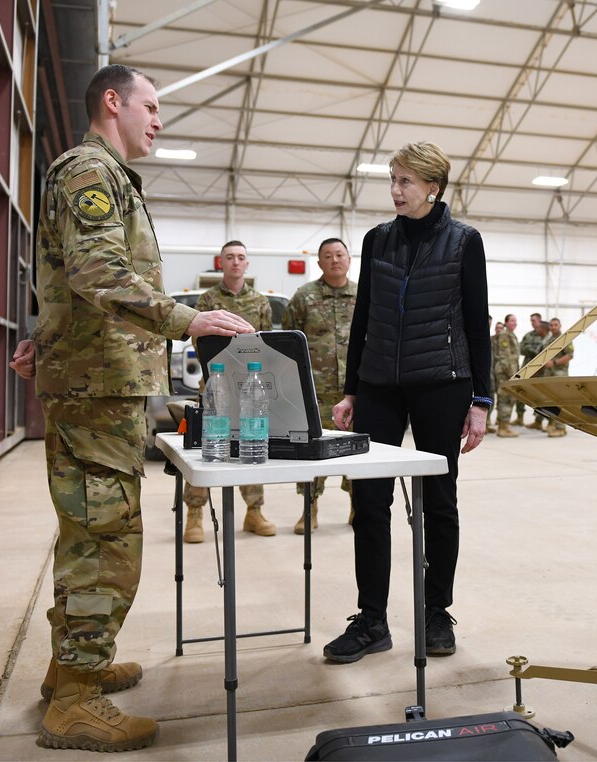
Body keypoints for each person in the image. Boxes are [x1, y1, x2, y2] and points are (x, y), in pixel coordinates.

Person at [8, 64, 254, 751]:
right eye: (150, 106)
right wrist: (188, 318)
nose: (158, 119)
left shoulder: (103, 175)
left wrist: (46, 337)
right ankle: (77, 700)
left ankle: (70, 670)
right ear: (111, 102)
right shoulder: (91, 171)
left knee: (92, 533)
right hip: (96, 390)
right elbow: (95, 270)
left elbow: (64, 278)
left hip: (98, 382)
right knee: (105, 542)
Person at [323, 141, 491, 663]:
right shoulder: (377, 240)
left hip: (442, 382)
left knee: (438, 500)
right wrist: (353, 388)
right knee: (369, 502)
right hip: (379, 384)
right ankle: (371, 620)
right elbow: (364, 318)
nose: (396, 191)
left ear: (433, 187)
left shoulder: (464, 241)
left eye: (406, 182)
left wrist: (481, 399)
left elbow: (476, 322)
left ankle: (436, 612)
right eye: (393, 180)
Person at [182, 241, 275, 543]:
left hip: (251, 387)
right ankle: (195, 514)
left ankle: (254, 511)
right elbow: (199, 341)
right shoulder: (207, 300)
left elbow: (265, 344)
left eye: (241, 258)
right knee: (206, 448)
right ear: (220, 262)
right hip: (215, 387)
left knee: (251, 442)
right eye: (230, 257)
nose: (236, 262)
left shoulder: (260, 301)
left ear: (247, 264)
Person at [282, 237, 357, 532]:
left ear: (349, 259)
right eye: (328, 255)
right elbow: (289, 342)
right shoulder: (304, 297)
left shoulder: (365, 295)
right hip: (315, 393)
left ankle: (357, 506)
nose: (334, 260)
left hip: (355, 392)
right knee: (312, 452)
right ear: (319, 262)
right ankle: (309, 509)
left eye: (340, 254)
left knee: (356, 451)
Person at [542, 317, 572, 437]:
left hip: (560, 374)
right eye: (551, 325)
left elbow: (570, 355)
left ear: (560, 326)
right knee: (550, 400)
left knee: (560, 401)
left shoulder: (565, 338)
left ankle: (561, 427)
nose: (553, 327)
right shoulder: (549, 339)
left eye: (555, 325)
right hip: (549, 375)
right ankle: (552, 424)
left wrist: (554, 363)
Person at [493, 314, 521, 437]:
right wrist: (512, 375)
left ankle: (502, 425)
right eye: (512, 321)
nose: (514, 323)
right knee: (506, 398)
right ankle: (503, 428)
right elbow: (505, 357)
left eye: (515, 320)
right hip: (506, 371)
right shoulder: (505, 335)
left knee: (505, 397)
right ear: (506, 323)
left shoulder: (512, 335)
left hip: (510, 370)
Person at [514, 312, 544, 425]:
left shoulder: (545, 335)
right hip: (526, 367)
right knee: (520, 391)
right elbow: (520, 348)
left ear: (540, 321)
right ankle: (519, 417)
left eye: (534, 320)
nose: (532, 323)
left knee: (539, 395)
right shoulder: (528, 335)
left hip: (540, 370)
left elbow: (542, 350)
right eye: (531, 320)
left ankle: (538, 420)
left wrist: (530, 348)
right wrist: (532, 349)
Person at [522, 318, 552, 430]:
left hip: (546, 374)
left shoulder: (549, 340)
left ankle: (551, 423)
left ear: (543, 329)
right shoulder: (542, 339)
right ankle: (538, 421)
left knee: (548, 399)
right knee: (538, 399)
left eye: (539, 327)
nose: (536, 329)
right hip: (539, 373)